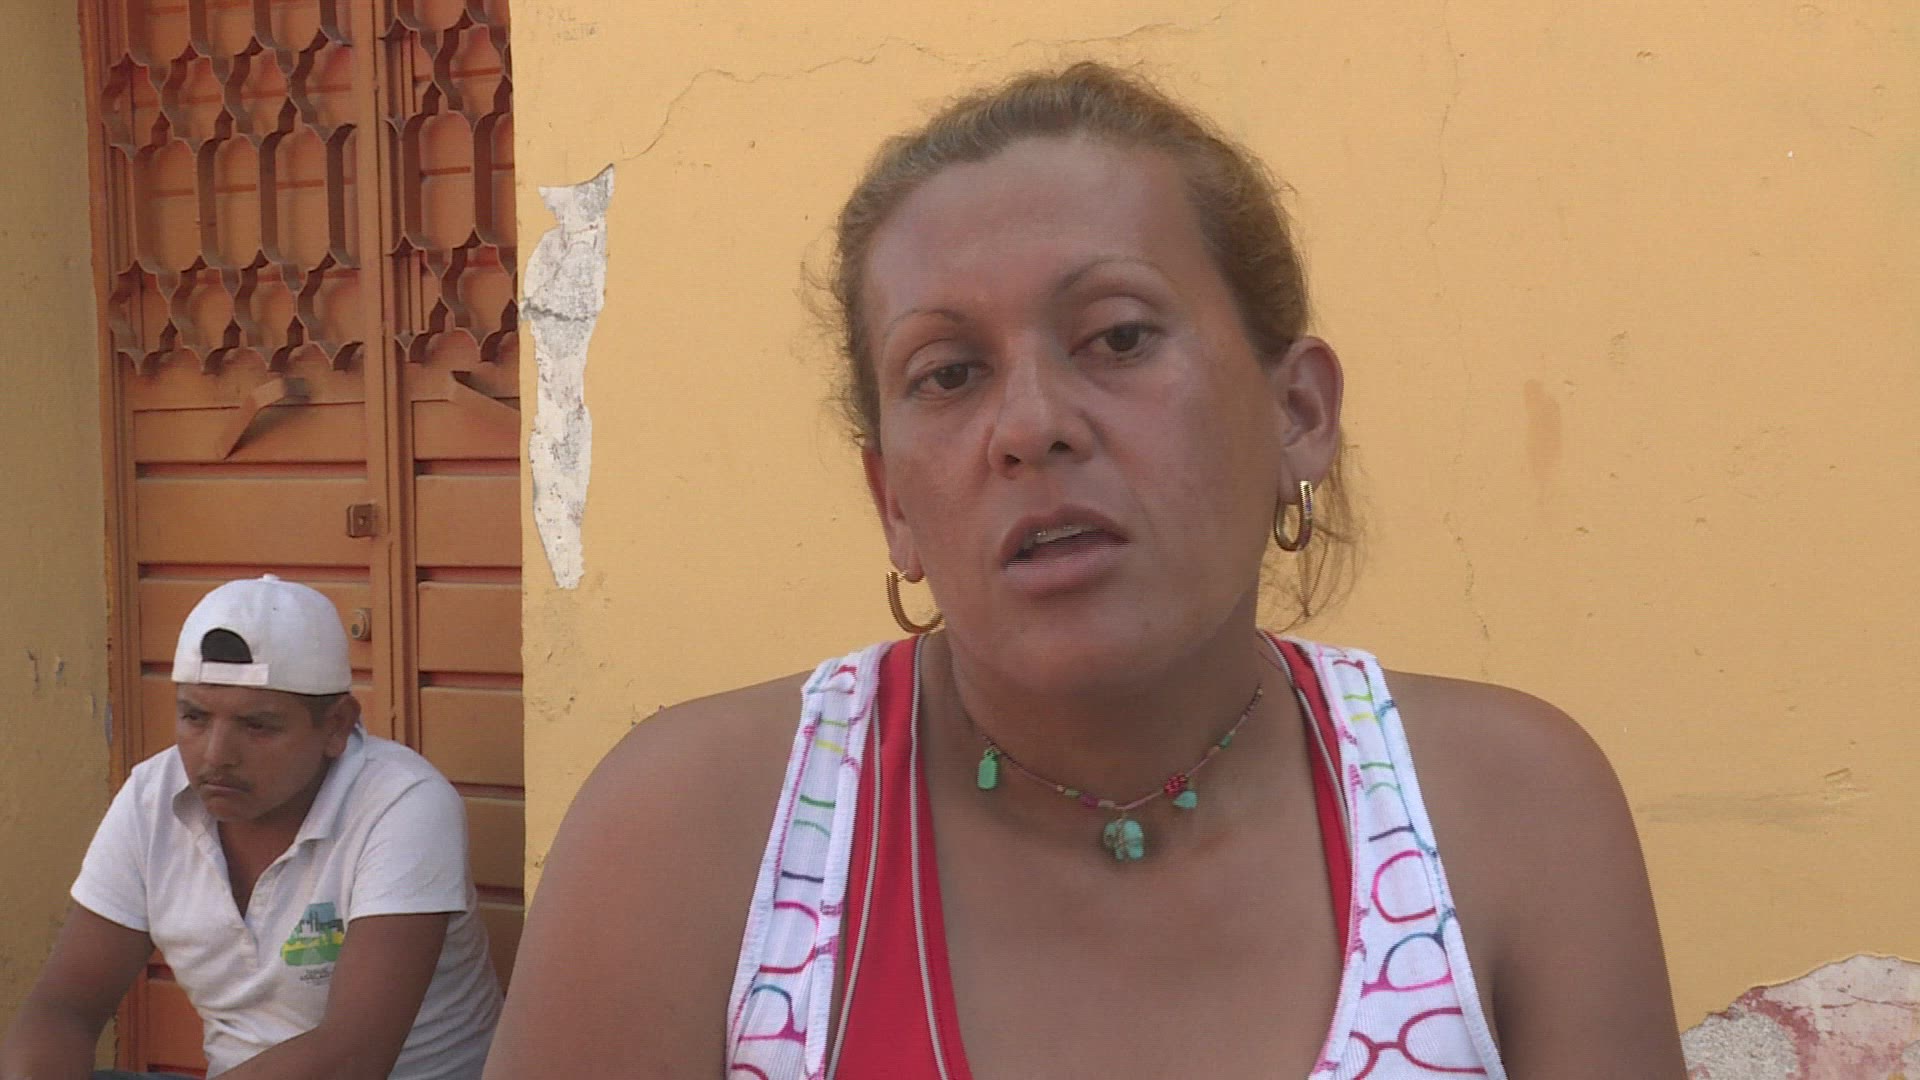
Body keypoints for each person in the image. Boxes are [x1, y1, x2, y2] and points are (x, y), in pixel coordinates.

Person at [485, 63, 1686, 1079]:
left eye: (1117, 337)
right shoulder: (696, 842)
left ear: (1299, 413)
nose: (1031, 426)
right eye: (948, 373)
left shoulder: (1507, 815)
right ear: (894, 502)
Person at [1, 575, 502, 1080]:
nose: (216, 755)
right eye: (195, 718)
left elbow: (352, 1057)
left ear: (336, 726)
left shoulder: (403, 802)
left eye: (257, 726)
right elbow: (64, 1005)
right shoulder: (152, 797)